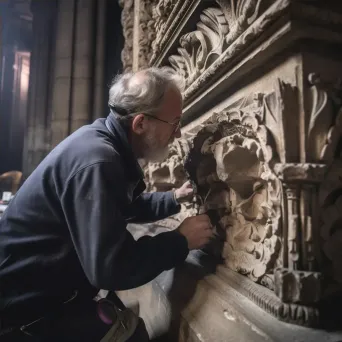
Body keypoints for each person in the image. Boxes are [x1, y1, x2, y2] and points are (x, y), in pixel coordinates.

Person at [0, 67, 214, 341]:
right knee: (134, 334)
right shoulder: (98, 161)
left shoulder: (102, 142)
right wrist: (180, 240)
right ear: (140, 124)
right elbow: (112, 268)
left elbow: (116, 208)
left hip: (41, 292)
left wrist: (173, 199)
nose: (179, 134)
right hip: (23, 312)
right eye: (175, 123)